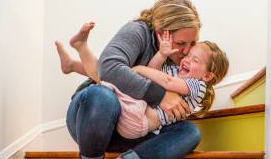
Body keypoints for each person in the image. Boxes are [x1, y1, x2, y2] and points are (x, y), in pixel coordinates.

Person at [59, 0, 204, 159]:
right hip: (94, 117)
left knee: (189, 132)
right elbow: (108, 68)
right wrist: (159, 95)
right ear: (162, 32)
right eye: (181, 43)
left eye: (193, 43)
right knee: (102, 95)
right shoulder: (137, 31)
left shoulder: (184, 62)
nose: (187, 51)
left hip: (135, 127)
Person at [56, 26, 229, 139]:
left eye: (195, 60)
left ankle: (81, 48)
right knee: (114, 77)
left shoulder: (198, 86)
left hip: (138, 120)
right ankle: (71, 64)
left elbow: (165, 81)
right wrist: (161, 54)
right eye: (188, 55)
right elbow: (152, 70)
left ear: (207, 76)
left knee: (112, 77)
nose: (186, 59)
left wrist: (137, 69)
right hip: (135, 111)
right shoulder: (177, 71)